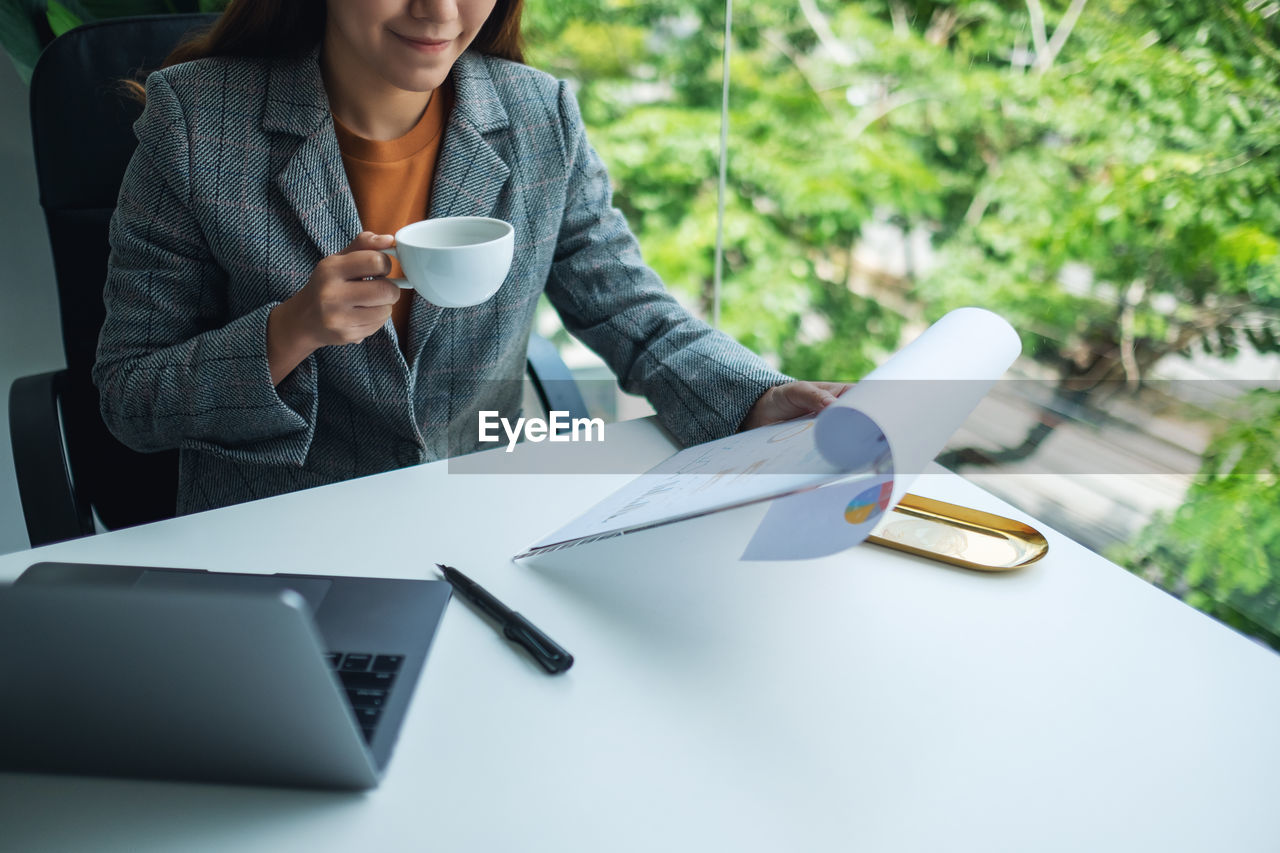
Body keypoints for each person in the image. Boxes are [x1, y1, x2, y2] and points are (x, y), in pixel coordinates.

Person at [93, 0, 847, 516]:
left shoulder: (538, 115)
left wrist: (756, 397)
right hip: (274, 534)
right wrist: (288, 331)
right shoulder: (196, 123)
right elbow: (129, 397)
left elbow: (629, 309)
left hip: (475, 517)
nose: (441, 12)